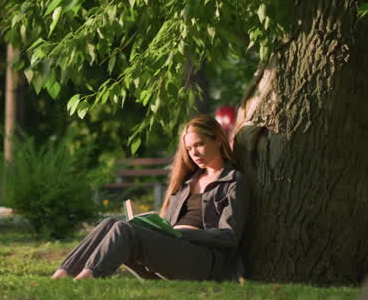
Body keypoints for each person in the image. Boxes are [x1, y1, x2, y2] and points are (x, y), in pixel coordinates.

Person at [52, 114, 249, 281]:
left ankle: (89, 276)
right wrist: (160, 228)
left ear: (218, 140)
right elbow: (167, 227)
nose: (194, 153)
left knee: (124, 229)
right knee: (110, 223)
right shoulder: (186, 182)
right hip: (173, 253)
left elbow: (229, 236)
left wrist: (181, 232)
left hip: (204, 262)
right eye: (189, 148)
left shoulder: (233, 181)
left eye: (199, 145)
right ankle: (63, 273)